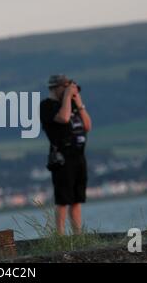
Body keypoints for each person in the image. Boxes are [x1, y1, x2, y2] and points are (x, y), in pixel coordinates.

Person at [40, 74, 92, 235]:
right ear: (56, 88)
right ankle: (60, 234)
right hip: (62, 157)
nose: (69, 91)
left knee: (77, 199)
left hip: (78, 156)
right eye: (65, 87)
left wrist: (79, 103)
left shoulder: (73, 105)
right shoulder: (47, 106)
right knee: (63, 199)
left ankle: (78, 234)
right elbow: (63, 118)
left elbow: (87, 126)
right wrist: (68, 98)